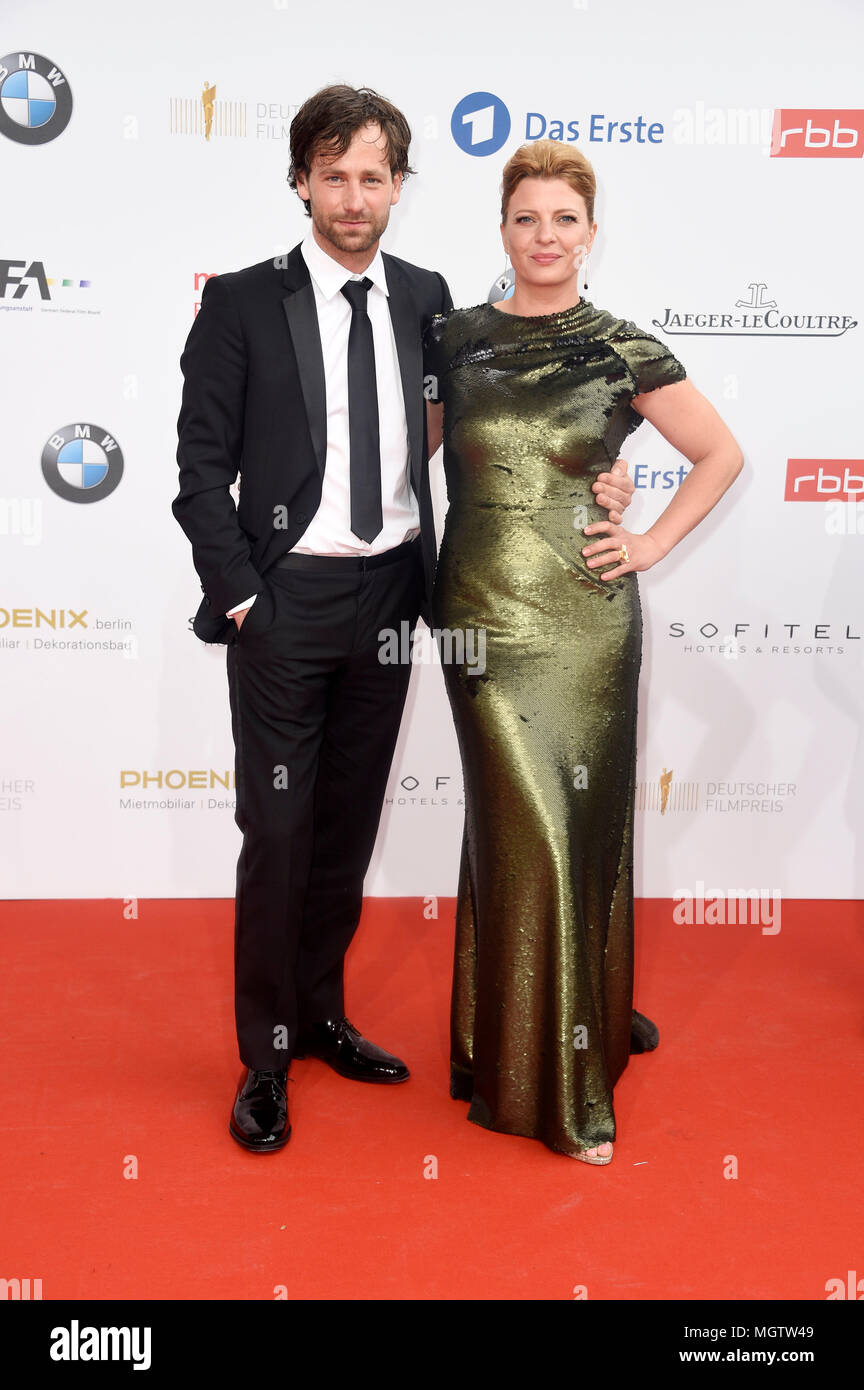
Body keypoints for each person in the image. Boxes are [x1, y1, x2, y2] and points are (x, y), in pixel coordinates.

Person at [174, 87, 636, 1154]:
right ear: (301, 182)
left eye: (372, 175)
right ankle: (268, 1056)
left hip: (391, 594)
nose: (352, 196)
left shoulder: (429, 299)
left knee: (344, 825)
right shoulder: (242, 302)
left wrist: (603, 481)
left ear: (398, 187)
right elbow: (199, 465)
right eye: (332, 175)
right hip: (285, 601)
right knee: (279, 833)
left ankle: (326, 1015)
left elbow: (502, 428)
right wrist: (244, 591)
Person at [423, 139, 743, 1164]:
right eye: (527, 217)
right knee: (523, 830)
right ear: (502, 228)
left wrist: (643, 533)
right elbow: (400, 460)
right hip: (476, 618)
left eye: (565, 219)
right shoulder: (455, 340)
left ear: (591, 234)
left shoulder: (621, 347)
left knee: (582, 827)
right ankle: (533, 1057)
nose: (546, 236)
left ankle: (568, 1045)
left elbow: (720, 452)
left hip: (588, 620)